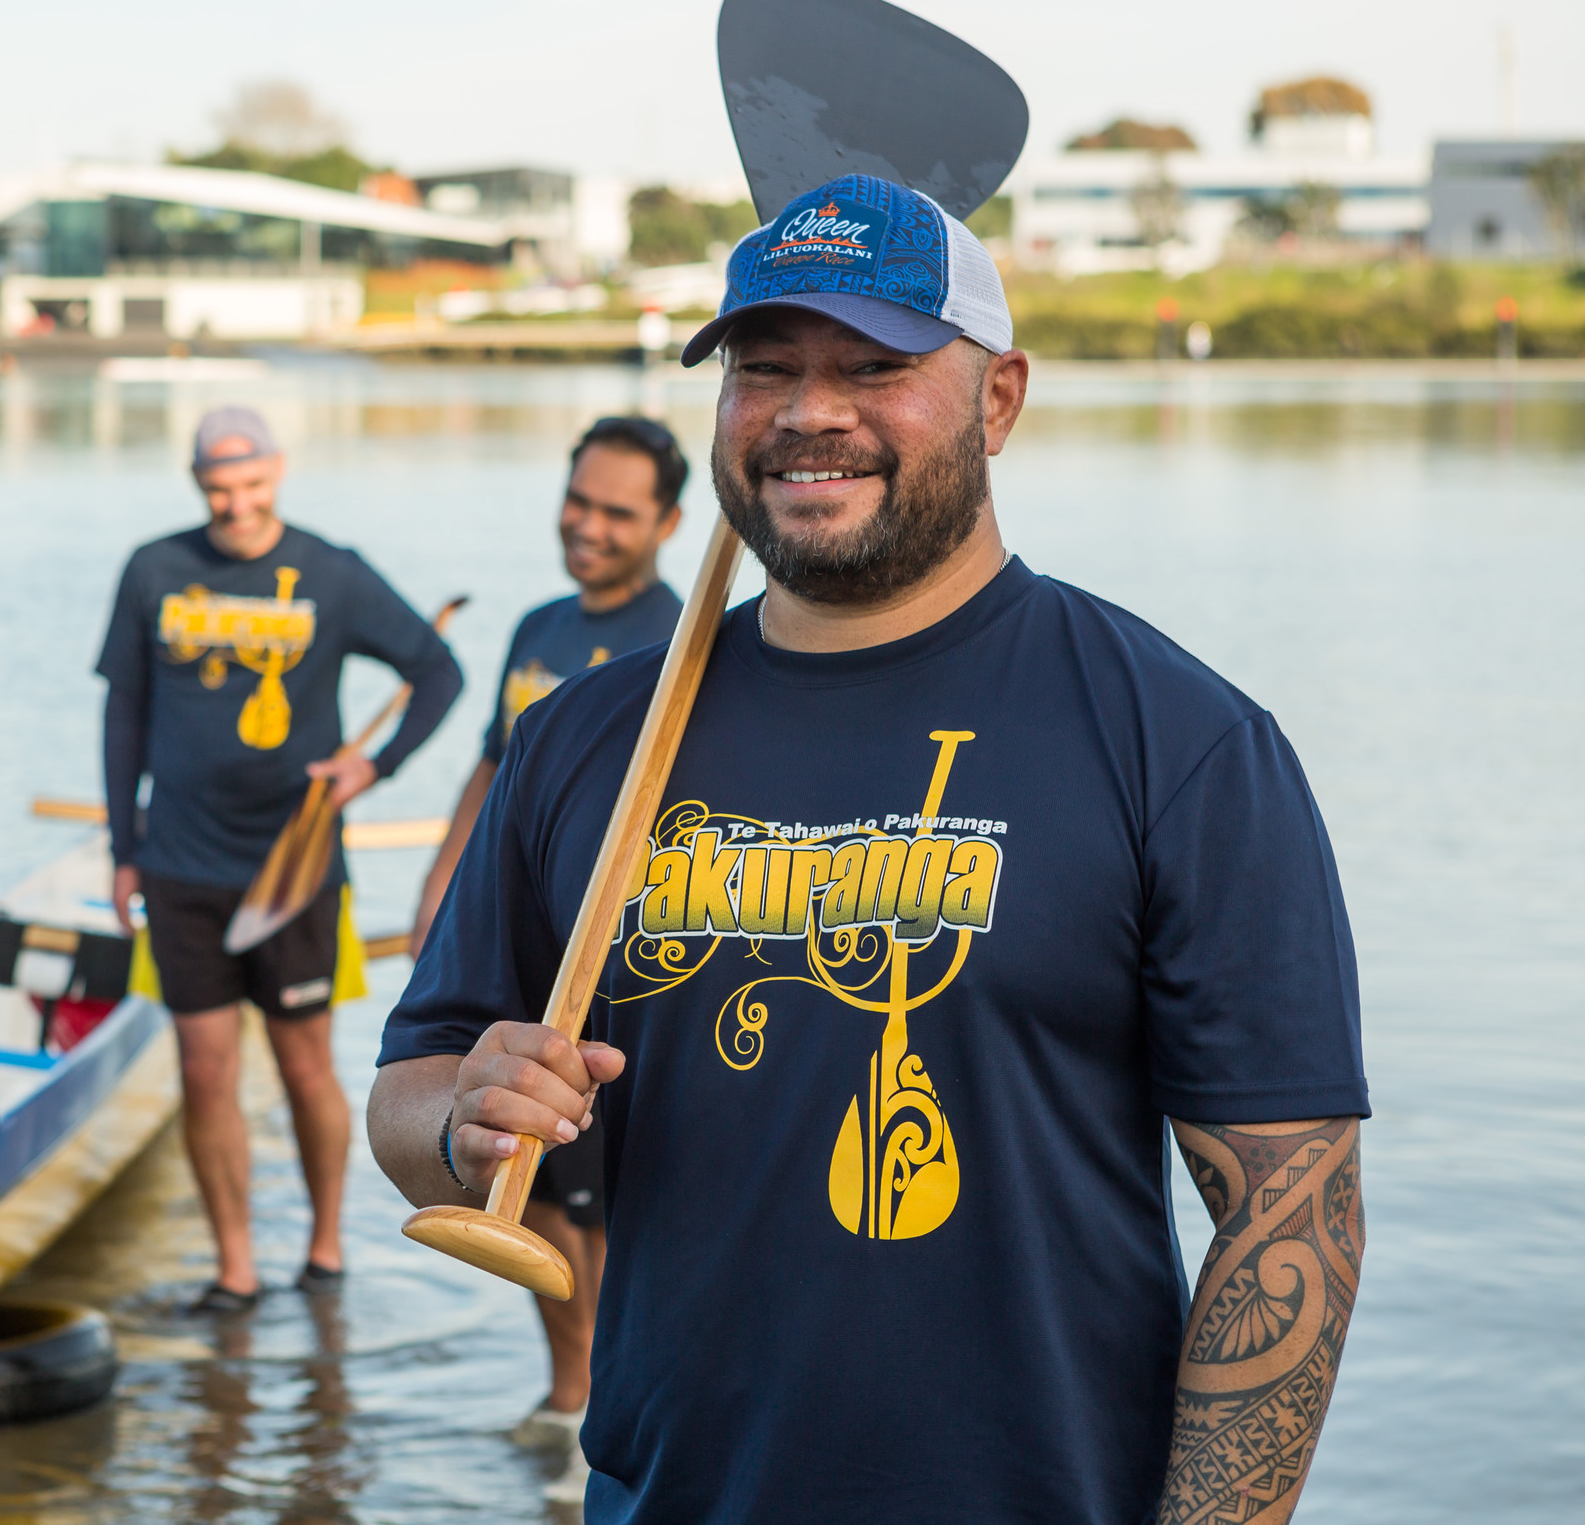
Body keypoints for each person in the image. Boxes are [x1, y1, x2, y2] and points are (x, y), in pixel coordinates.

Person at [369, 174, 1368, 1522]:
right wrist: (464, 1116)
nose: (808, 410)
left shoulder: (1178, 741)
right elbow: (412, 1089)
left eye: (874, 367)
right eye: (764, 365)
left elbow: (1288, 1218)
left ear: (999, 397)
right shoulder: (588, 744)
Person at [100, 405, 463, 1312]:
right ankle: (234, 1264)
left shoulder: (328, 572)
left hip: (295, 867)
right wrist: (122, 846)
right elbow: (123, 716)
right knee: (204, 1068)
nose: (237, 505)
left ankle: (327, 1245)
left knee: (307, 1064)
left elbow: (438, 670)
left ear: (279, 472)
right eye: (219, 488)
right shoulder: (154, 569)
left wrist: (372, 766)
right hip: (180, 859)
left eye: (253, 485)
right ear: (196, 483)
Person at [406, 413, 684, 1497]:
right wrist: (439, 884)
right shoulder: (535, 627)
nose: (588, 528)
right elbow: (491, 773)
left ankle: (607, 1400)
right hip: (519, 951)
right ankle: (569, 1388)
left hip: (613, 974)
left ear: (667, 522)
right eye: (579, 502)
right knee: (514, 1184)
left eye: (617, 513)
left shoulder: (684, 639)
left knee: (596, 1203)